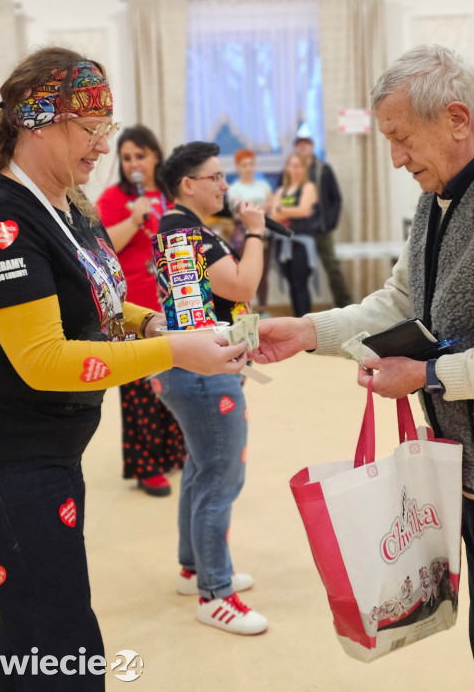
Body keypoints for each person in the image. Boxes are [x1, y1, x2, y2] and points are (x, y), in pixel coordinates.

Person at [251, 45, 474, 692]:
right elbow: (400, 301)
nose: (394, 158)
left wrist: (429, 377)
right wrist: (307, 331)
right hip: (471, 472)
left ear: (457, 118)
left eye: (401, 138)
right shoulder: (439, 196)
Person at [0, 48, 248, 691]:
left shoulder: (65, 203)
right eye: (92, 129)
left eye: (108, 128)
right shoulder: (1, 220)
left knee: (27, 633)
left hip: (49, 454)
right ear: (40, 121)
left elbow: (92, 294)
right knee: (64, 643)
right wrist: (175, 350)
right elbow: (44, 360)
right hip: (8, 461)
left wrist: (152, 322)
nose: (104, 146)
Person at [152, 141, 269, 636]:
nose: (225, 186)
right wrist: (257, 233)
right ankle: (215, 594)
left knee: (201, 470)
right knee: (221, 477)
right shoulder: (191, 234)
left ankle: (194, 568)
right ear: (187, 185)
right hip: (204, 373)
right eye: (216, 177)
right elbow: (242, 286)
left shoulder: (174, 228)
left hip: (185, 366)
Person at [97, 125, 185, 497]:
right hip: (133, 306)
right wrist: (134, 219)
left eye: (141, 156)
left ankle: (174, 451)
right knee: (140, 388)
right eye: (128, 157)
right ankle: (146, 465)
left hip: (174, 301)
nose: (134, 163)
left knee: (177, 379)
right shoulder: (114, 197)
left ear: (155, 157)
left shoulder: (171, 193)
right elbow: (102, 247)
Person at [293, 136, 352, 308]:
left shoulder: (323, 170)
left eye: (306, 146)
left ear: (312, 147)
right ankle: (303, 312)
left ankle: (344, 305)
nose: (303, 149)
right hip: (301, 230)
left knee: (333, 269)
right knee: (300, 273)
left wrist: (331, 223)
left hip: (321, 229)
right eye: (299, 147)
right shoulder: (293, 171)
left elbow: (337, 199)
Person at [226, 148, 274, 316]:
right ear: (238, 167)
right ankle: (245, 308)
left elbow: (272, 205)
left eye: (251, 164)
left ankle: (262, 307)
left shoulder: (263, 185)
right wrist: (260, 207)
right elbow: (237, 211)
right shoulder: (234, 188)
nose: (248, 168)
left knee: (263, 270)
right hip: (242, 235)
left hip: (265, 233)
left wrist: (250, 207)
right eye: (244, 165)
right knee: (243, 270)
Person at [271, 153, 319, 317]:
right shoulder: (281, 190)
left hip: (301, 244)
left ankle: (306, 321)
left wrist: (281, 210)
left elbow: (304, 210)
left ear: (304, 168)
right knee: (292, 284)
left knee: (301, 285)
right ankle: (298, 321)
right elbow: (273, 215)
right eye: (292, 165)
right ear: (287, 168)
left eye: (299, 166)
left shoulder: (308, 187)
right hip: (282, 244)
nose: (295, 169)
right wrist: (292, 212)